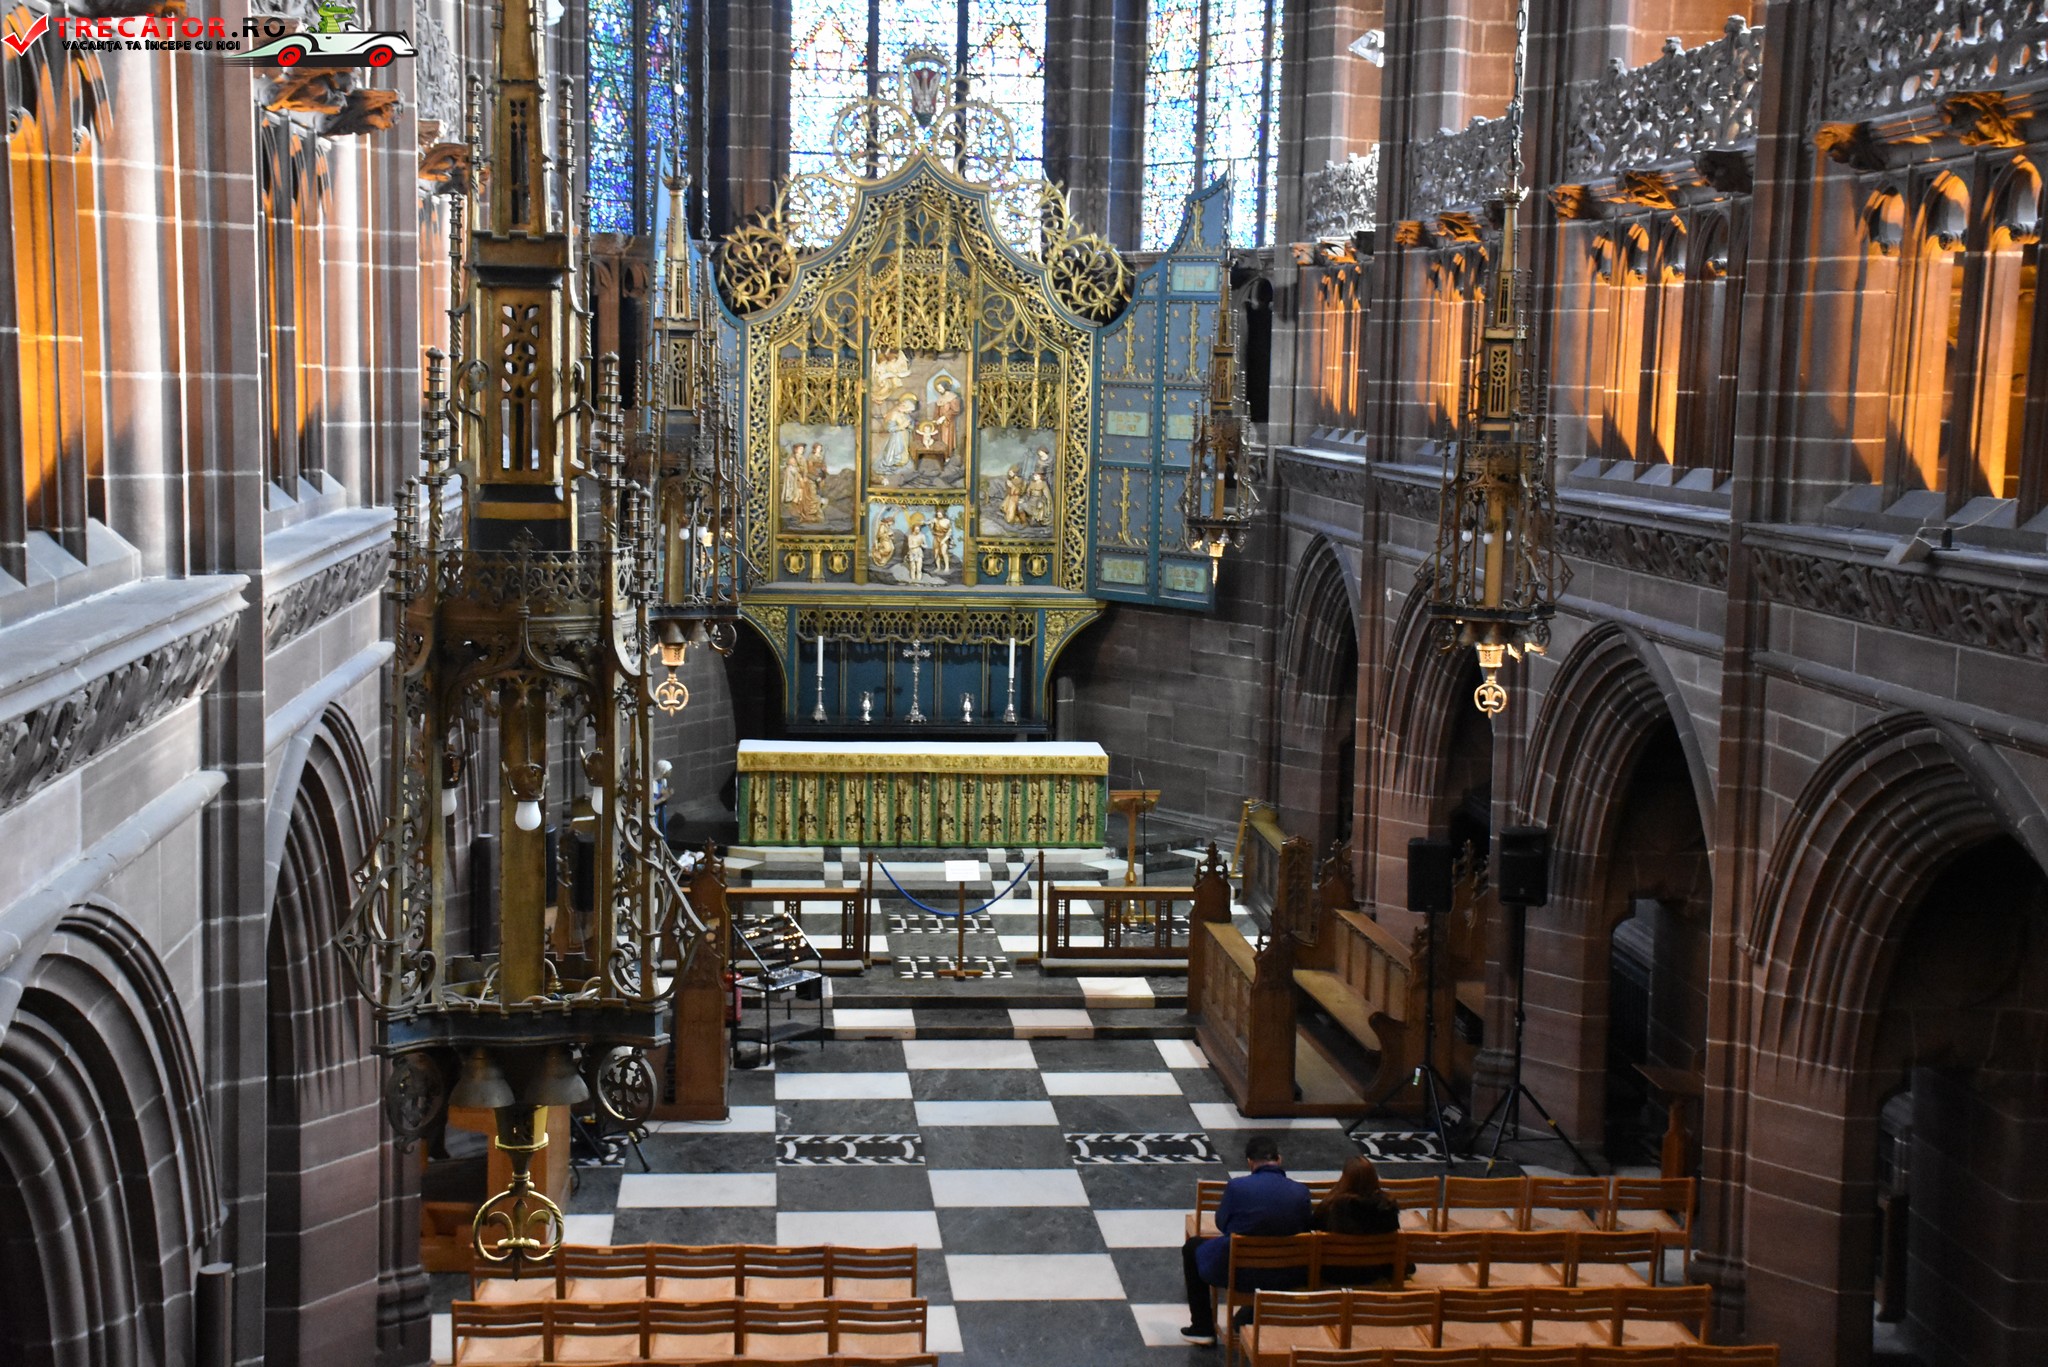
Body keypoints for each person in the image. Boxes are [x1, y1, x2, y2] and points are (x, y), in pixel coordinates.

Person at [1181, 1135, 1311, 1346]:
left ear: (1250, 1162)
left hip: (1241, 1273)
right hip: (1287, 1274)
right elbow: (1305, 1227)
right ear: (1279, 1159)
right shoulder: (1300, 1191)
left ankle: (1202, 1328)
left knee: (1193, 1248)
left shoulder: (1237, 1187)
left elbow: (1222, 1223)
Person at [1313, 1156, 1402, 1285]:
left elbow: (1314, 1233)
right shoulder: (1388, 1208)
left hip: (1335, 1274)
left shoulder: (1330, 1206)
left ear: (1344, 1179)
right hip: (1373, 1273)